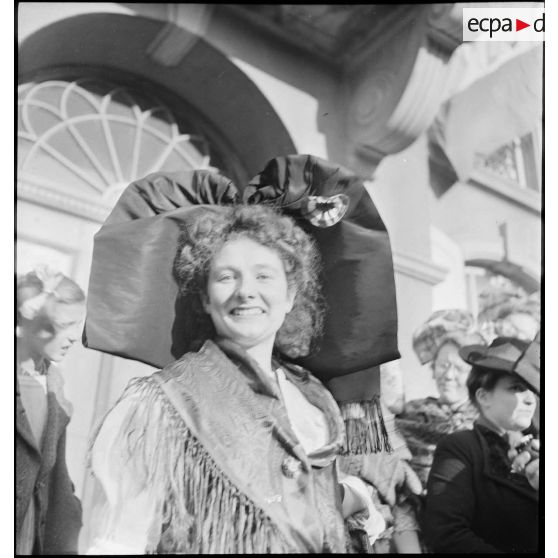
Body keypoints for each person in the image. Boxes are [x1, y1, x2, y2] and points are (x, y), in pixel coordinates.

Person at [83, 155, 401, 553]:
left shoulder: (314, 397)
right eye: (226, 276)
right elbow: (117, 540)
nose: (245, 290)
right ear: (204, 297)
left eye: (264, 275)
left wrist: (350, 496)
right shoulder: (165, 403)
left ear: (290, 296)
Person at [422, 336, 539, 554]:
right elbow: (446, 535)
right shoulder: (460, 447)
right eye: (517, 388)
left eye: (532, 390)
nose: (530, 400)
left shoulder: (539, 449)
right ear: (484, 396)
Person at [16, 266, 86, 554]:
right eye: (64, 324)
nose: (73, 337)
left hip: (33, 534)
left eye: (77, 325)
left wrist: (71, 514)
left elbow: (54, 471)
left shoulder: (53, 385)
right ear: (27, 322)